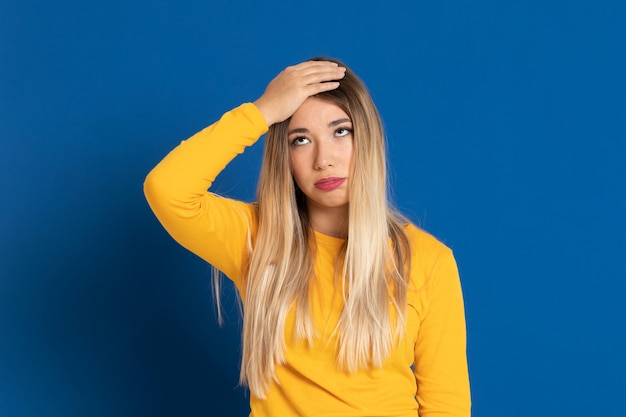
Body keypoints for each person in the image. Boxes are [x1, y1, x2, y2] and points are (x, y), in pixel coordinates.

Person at [144, 58, 471, 416]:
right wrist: (263, 111)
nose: (323, 159)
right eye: (300, 140)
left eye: (340, 131)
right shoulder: (257, 238)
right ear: (285, 157)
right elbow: (167, 189)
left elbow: (446, 406)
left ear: (368, 138)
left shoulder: (427, 260)